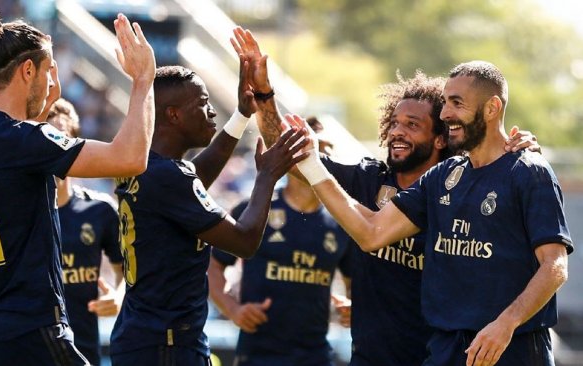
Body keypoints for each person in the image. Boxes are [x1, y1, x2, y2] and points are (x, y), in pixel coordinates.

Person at [230, 27, 542, 366]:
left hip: (438, 355)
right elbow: (292, 155)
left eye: (411, 124)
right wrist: (263, 93)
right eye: (394, 122)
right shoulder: (368, 180)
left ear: (441, 138)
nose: (396, 131)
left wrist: (517, 150)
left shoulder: (460, 186)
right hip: (370, 356)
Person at [289, 61, 571, 366]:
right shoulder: (443, 177)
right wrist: (313, 163)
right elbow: (371, 233)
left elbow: (555, 265)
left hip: (510, 348)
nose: (446, 113)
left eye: (457, 103)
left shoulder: (529, 171)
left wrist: (507, 323)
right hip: (446, 350)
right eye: (446, 102)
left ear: (492, 108)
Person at [0, 11, 156, 365]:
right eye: (49, 71)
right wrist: (143, 81)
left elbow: (15, 163)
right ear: (28, 71)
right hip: (32, 327)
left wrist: (40, 105)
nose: (53, 84)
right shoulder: (24, 140)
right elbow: (131, 158)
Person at [109, 65, 309, 366]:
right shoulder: (169, 177)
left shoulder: (145, 166)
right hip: (167, 343)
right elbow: (244, 242)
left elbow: (197, 174)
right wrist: (267, 175)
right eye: (202, 103)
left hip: (147, 336)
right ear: (174, 115)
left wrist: (242, 114)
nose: (211, 111)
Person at [207, 117, 352, 366]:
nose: (319, 157)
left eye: (325, 149)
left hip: (315, 356)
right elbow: (212, 266)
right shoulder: (255, 207)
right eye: (311, 148)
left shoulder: (343, 220)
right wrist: (233, 310)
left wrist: (351, 307)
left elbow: (353, 284)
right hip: (257, 356)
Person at [46, 98, 125, 365]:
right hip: (30, 352)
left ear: (75, 147)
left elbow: (127, 271)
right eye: (45, 141)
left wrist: (117, 296)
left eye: (61, 140)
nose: (52, 151)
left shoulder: (100, 210)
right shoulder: (18, 212)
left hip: (83, 351)